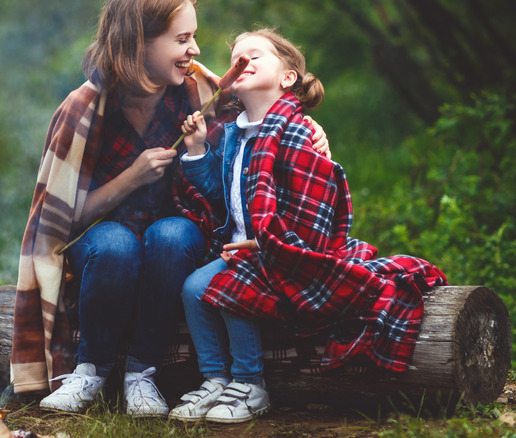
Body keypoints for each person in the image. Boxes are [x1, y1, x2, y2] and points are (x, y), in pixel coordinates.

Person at [9, 2, 330, 418]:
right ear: (137, 44)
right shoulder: (85, 109)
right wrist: (130, 178)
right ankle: (90, 370)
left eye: (193, 37)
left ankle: (141, 373)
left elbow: (270, 112)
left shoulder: (199, 91)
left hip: (177, 243)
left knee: (172, 233)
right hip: (103, 245)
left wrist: (310, 127)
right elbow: (58, 220)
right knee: (116, 243)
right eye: (182, 39)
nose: (195, 50)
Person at [169, 27, 447, 423]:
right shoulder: (233, 134)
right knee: (193, 289)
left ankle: (250, 383)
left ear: (287, 78)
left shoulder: (298, 133)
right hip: (237, 248)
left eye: (254, 56)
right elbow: (218, 194)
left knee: (234, 288)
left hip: (283, 249)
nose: (240, 63)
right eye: (235, 60)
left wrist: (266, 244)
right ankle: (215, 379)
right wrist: (196, 148)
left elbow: (312, 207)